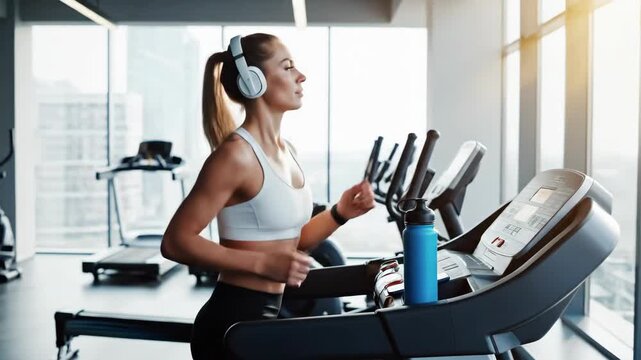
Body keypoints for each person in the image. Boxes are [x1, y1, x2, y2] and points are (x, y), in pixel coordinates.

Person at [161, 33, 375, 359]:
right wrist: (261, 263)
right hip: (232, 322)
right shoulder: (235, 156)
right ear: (253, 80)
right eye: (288, 67)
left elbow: (291, 243)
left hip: (268, 317)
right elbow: (176, 241)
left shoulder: (287, 151)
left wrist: (339, 213)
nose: (301, 76)